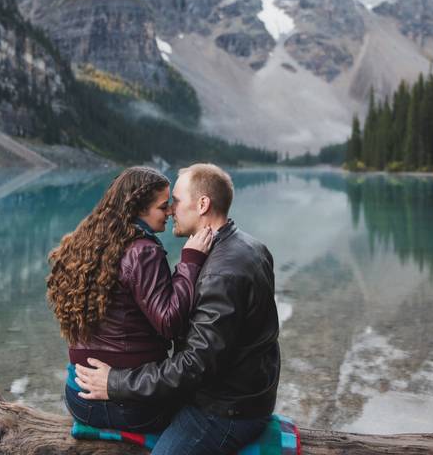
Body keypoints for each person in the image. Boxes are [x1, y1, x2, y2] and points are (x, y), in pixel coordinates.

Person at [76, 163, 281, 455]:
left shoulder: (221, 273)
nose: (171, 209)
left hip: (223, 411)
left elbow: (194, 365)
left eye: (177, 200)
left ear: (202, 204)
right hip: (245, 393)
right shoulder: (251, 246)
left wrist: (116, 382)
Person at [46, 166, 213, 433]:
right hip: (134, 407)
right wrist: (190, 262)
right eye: (162, 206)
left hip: (80, 400)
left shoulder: (87, 242)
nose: (170, 212)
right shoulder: (143, 251)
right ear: (138, 209)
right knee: (207, 410)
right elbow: (169, 323)